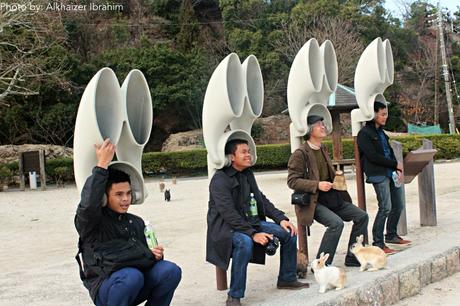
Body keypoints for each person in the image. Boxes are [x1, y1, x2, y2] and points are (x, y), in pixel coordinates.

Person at [75, 139, 181, 306]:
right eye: (119, 194)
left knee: (170, 270)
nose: (125, 199)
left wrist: (156, 255)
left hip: (135, 281)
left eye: (128, 193)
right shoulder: (92, 223)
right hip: (106, 287)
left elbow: (144, 259)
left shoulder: (136, 222)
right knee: (131, 276)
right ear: (104, 197)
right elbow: (88, 205)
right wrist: (102, 164)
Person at [206, 139, 309, 306]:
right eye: (244, 152)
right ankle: (234, 295)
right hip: (226, 229)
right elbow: (228, 213)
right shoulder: (220, 180)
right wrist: (253, 234)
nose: (249, 155)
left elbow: (261, 200)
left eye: (249, 151)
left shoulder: (247, 174)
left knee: (288, 232)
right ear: (232, 157)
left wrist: (281, 218)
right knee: (245, 242)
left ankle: (287, 278)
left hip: (249, 223)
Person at [287, 115, 368, 266]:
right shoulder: (300, 153)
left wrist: (336, 179)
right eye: (318, 124)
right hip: (314, 201)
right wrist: (317, 185)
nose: (323, 126)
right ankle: (321, 264)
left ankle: (352, 257)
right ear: (310, 129)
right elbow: (292, 181)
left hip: (332, 197)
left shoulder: (323, 148)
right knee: (336, 224)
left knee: (362, 216)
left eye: (322, 123)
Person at [357, 101, 411, 254]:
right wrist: (395, 164)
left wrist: (397, 167)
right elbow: (373, 156)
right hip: (377, 174)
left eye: (385, 113)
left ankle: (392, 235)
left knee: (399, 204)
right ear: (372, 114)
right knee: (385, 207)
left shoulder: (381, 132)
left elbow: (389, 151)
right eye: (382, 114)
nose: (385, 117)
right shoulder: (364, 134)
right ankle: (378, 243)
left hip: (390, 172)